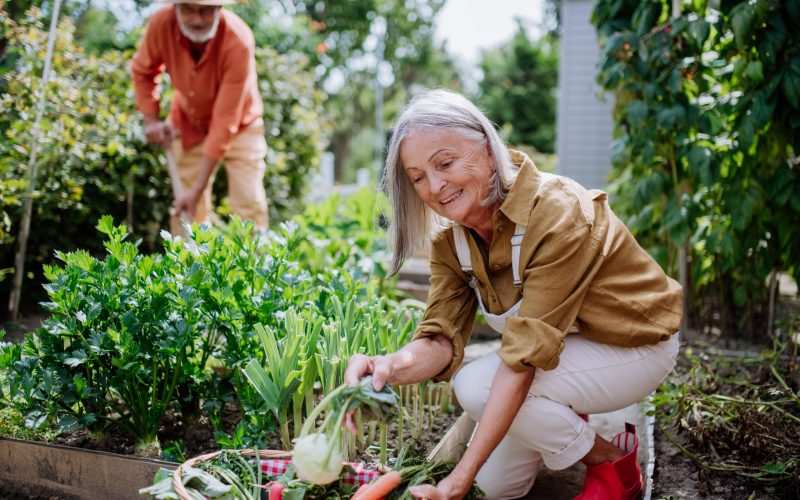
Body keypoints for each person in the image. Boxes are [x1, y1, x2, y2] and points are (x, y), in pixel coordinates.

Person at [344, 89, 682, 500]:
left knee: (474, 387)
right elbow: (439, 340)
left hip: (633, 347)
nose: (434, 186)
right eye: (417, 177)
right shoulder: (452, 243)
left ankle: (611, 462)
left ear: (487, 147)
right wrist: (387, 368)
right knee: (496, 489)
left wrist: (456, 480)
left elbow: (521, 362)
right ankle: (562, 416)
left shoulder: (556, 212)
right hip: (564, 349)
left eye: (445, 163)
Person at [131, 0, 269, 231]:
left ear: (219, 8)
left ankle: (254, 265)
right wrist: (151, 119)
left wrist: (197, 189)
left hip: (242, 125)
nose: (197, 19)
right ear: (175, 7)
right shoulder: (161, 24)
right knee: (187, 212)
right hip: (188, 122)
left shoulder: (239, 41)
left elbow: (225, 122)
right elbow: (142, 71)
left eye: (205, 10)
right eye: (188, 10)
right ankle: (187, 265)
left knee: (249, 202)